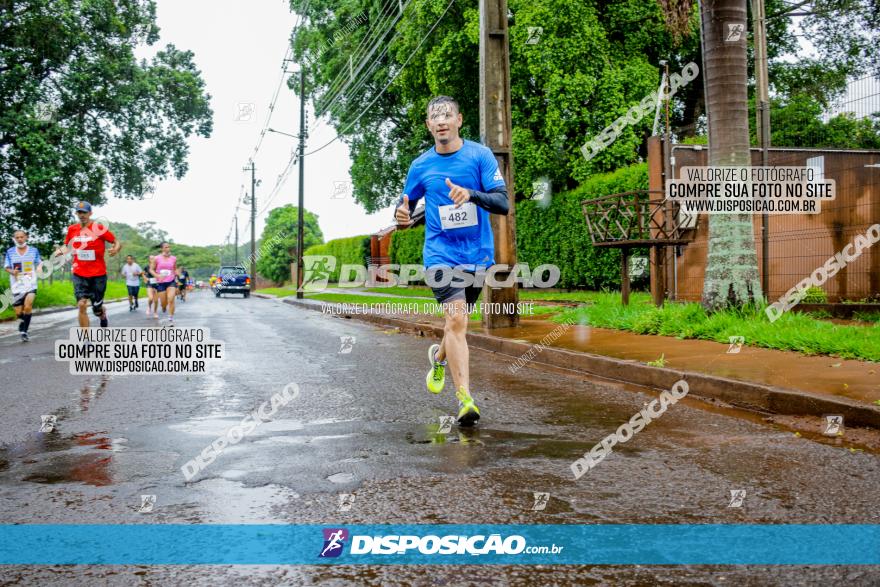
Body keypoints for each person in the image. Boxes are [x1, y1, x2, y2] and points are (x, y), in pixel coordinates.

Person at [394, 95, 510, 426]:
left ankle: (439, 357)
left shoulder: (480, 156)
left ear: (459, 120)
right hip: (439, 254)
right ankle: (465, 401)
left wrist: (471, 194)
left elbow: (503, 203)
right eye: (435, 116)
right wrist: (401, 215)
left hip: (477, 255)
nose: (441, 121)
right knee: (457, 322)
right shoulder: (420, 166)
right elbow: (404, 204)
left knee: (455, 325)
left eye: (447, 115)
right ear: (429, 125)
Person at [55, 202, 121, 329]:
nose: (82, 215)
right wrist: (57, 253)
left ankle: (102, 314)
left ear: (90, 213)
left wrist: (116, 249)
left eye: (84, 212)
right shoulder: (72, 229)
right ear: (76, 214)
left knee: (97, 309)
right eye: (79, 212)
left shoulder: (98, 228)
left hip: (98, 275)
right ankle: (86, 339)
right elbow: (67, 247)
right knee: (81, 304)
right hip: (79, 273)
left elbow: (116, 241)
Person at [3, 229, 43, 341]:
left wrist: (39, 267)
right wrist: (12, 272)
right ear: (14, 239)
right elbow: (6, 267)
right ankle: (22, 320)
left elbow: (39, 261)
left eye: (22, 237)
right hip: (17, 285)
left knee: (28, 306)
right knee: (18, 312)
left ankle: (25, 331)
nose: (20, 239)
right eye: (17, 237)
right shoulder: (10, 251)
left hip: (30, 283)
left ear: (26, 237)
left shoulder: (33, 250)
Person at [151, 242, 178, 325]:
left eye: (169, 247)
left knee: (171, 298)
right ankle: (163, 307)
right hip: (161, 282)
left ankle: (170, 318)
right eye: (166, 247)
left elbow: (174, 269)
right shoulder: (156, 258)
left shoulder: (173, 258)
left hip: (171, 281)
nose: (168, 249)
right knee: (163, 303)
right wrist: (157, 275)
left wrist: (177, 277)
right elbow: (151, 269)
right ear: (162, 248)